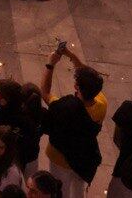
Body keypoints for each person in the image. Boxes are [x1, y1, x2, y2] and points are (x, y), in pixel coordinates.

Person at [40, 45, 106, 198]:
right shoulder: (102, 104)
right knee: (78, 191)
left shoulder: (65, 107)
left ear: (76, 86)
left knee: (60, 191)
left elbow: (45, 92)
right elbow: (88, 76)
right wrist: (71, 55)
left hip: (59, 158)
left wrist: (50, 64)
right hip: (83, 158)